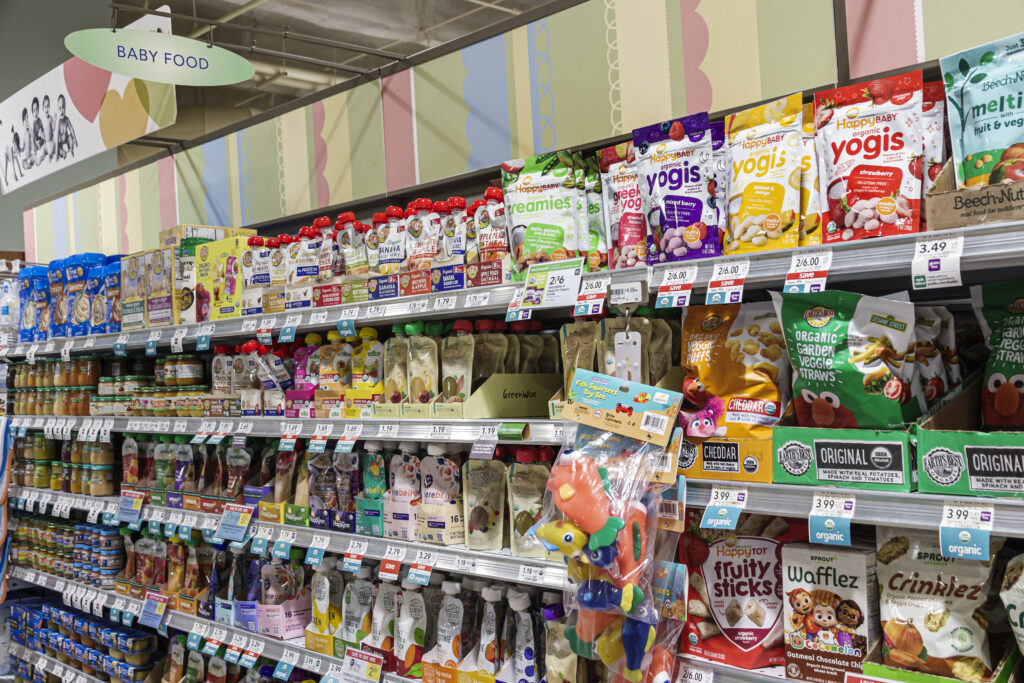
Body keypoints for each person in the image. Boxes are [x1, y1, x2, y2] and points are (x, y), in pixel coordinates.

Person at [56, 94, 77, 160]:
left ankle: (71, 149)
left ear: (65, 107)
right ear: (57, 109)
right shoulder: (58, 122)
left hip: (66, 140)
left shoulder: (67, 119)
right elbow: (56, 137)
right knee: (58, 148)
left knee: (70, 137)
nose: (62, 110)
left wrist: (74, 139)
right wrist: (56, 154)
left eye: (63, 107)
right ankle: (63, 153)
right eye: (60, 108)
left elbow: (71, 128)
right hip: (61, 142)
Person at [31, 97, 48, 165]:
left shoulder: (40, 120)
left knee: (43, 148)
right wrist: (34, 144)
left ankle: (41, 157)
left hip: (41, 141)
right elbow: (33, 135)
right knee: (33, 149)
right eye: (34, 110)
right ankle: (34, 158)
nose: (35, 112)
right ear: (32, 112)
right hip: (37, 142)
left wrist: (42, 135)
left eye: (36, 110)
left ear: (38, 110)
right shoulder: (33, 123)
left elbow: (43, 133)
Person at [42, 95, 55, 159]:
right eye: (45, 107)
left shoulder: (50, 118)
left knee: (50, 155)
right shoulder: (43, 120)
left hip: (51, 142)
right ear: (43, 109)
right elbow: (44, 133)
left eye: (48, 106)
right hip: (46, 143)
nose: (46, 108)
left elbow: (53, 128)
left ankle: (50, 155)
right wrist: (41, 135)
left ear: (49, 107)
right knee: (42, 151)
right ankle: (42, 156)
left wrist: (54, 120)